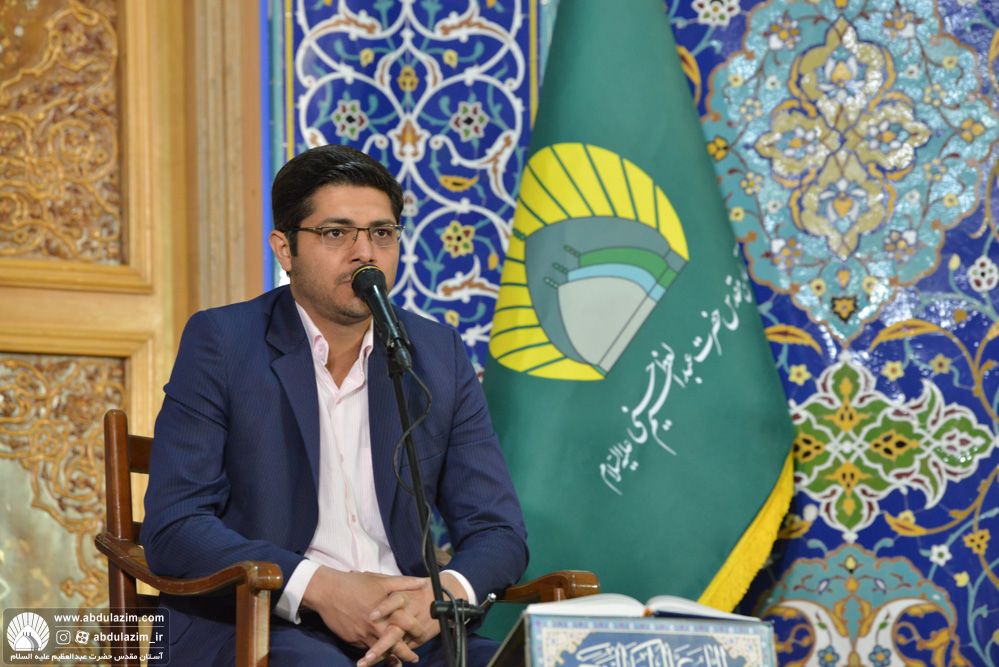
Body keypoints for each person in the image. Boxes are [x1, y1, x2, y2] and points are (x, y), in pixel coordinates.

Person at [141, 144, 529, 666]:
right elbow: (175, 525)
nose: (364, 252)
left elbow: (498, 530)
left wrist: (440, 600)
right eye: (335, 233)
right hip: (264, 625)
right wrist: (321, 588)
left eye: (382, 233)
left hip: (411, 634)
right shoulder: (223, 342)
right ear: (285, 250)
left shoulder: (436, 354)